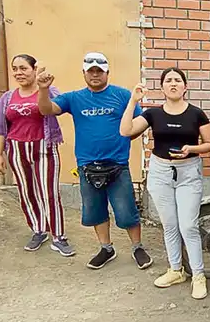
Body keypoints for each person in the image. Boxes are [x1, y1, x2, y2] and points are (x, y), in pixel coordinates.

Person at [36, 52, 152, 271]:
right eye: (91, 71)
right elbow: (46, 110)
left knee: (127, 211)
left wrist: (124, 140)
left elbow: (139, 122)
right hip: (87, 166)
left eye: (100, 71)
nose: (95, 74)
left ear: (107, 72)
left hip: (118, 164)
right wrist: (42, 89)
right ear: (84, 73)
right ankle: (106, 248)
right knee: (95, 211)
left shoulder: (122, 95)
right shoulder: (73, 98)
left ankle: (137, 247)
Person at [120, 67, 210, 300]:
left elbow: (209, 144)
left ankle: (198, 274)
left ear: (185, 86)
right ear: (162, 87)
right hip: (161, 172)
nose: (173, 84)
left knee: (188, 226)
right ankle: (175, 270)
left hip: (188, 172)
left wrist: (191, 149)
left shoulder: (196, 114)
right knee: (170, 224)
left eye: (178, 80)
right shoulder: (153, 114)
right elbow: (126, 131)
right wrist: (133, 101)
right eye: (168, 80)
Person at [0, 54, 73, 256]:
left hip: (44, 146)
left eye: (24, 68)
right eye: (15, 69)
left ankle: (58, 236)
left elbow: (55, 109)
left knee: (49, 192)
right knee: (26, 191)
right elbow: (1, 128)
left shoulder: (50, 90)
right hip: (17, 148)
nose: (19, 73)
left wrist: (43, 85)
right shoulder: (7, 98)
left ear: (34, 69)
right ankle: (38, 229)